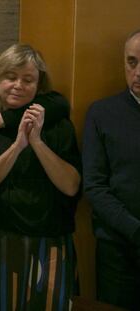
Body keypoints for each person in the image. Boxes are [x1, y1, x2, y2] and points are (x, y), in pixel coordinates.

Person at [0, 43, 81, 311]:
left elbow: (71, 185)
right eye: (10, 77)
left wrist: (36, 141)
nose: (18, 85)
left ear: (39, 85)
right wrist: (17, 145)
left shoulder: (59, 125)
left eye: (28, 80)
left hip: (51, 240)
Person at [83, 30, 140, 310]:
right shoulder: (102, 113)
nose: (138, 72)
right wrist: (134, 230)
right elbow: (94, 185)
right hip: (118, 248)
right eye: (132, 62)